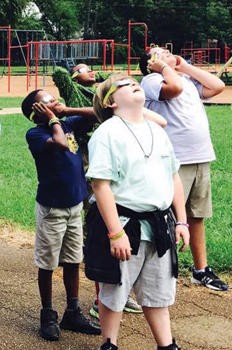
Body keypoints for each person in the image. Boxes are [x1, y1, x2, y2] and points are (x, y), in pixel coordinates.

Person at [86, 75, 190, 350]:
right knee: (114, 292)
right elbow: (101, 185)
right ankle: (109, 344)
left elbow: (174, 177)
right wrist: (115, 233)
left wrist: (181, 221)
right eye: (123, 84)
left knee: (158, 294)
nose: (133, 84)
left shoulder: (157, 131)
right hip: (124, 224)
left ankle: (167, 346)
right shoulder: (107, 133)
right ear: (110, 102)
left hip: (158, 225)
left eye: (134, 81)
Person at [140, 47, 228, 292]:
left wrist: (184, 66)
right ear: (151, 63)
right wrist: (165, 68)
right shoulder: (151, 80)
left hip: (201, 156)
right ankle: (158, 274)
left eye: (168, 51)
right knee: (167, 218)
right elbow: (174, 89)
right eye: (159, 52)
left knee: (196, 216)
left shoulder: (186, 78)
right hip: (176, 160)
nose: (168, 52)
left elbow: (217, 86)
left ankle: (201, 270)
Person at [22, 89, 101, 341]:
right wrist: (55, 120)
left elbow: (99, 113)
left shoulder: (67, 122)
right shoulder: (36, 133)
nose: (55, 101)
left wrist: (65, 112)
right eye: (48, 101)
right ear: (37, 111)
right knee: (47, 263)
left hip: (75, 205)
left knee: (72, 259)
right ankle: (47, 313)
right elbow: (61, 143)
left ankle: (73, 311)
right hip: (52, 209)